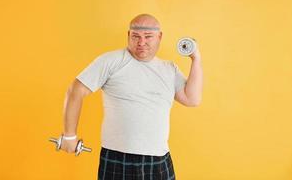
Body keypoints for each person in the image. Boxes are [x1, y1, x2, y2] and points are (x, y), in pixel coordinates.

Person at [60, 13, 203, 180]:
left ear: (159, 36)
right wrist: (69, 135)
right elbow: (75, 91)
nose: (141, 42)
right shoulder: (111, 61)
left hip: (158, 157)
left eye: (148, 36)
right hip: (117, 157)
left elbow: (192, 99)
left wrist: (196, 59)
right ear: (128, 35)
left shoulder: (169, 69)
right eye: (136, 36)